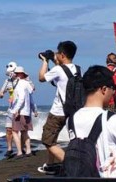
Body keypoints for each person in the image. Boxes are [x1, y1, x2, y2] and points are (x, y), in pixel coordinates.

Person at [63, 65, 116, 173]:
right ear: (104, 89)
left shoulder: (71, 119)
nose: (113, 92)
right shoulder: (112, 120)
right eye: (112, 88)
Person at [37, 41, 79, 174]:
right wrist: (55, 62)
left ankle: (71, 167)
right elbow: (59, 82)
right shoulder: (77, 69)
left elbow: (41, 78)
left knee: (47, 140)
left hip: (58, 112)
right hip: (73, 110)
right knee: (53, 138)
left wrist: (45, 61)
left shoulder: (58, 69)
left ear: (62, 54)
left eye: (57, 52)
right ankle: (50, 165)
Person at [9, 66, 37, 157]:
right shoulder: (28, 84)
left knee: (14, 131)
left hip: (20, 111)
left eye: (16, 73)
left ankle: (20, 152)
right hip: (27, 111)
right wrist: (34, 109)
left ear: (20, 74)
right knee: (25, 132)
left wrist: (16, 110)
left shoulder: (20, 83)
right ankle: (28, 151)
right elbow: (31, 99)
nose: (15, 75)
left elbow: (21, 98)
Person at [0, 61, 18, 158]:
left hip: (20, 108)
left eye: (11, 73)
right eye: (8, 73)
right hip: (11, 108)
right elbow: (0, 92)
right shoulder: (7, 81)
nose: (10, 74)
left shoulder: (22, 80)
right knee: (8, 129)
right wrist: (1, 94)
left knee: (19, 129)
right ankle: (9, 149)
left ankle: (20, 149)